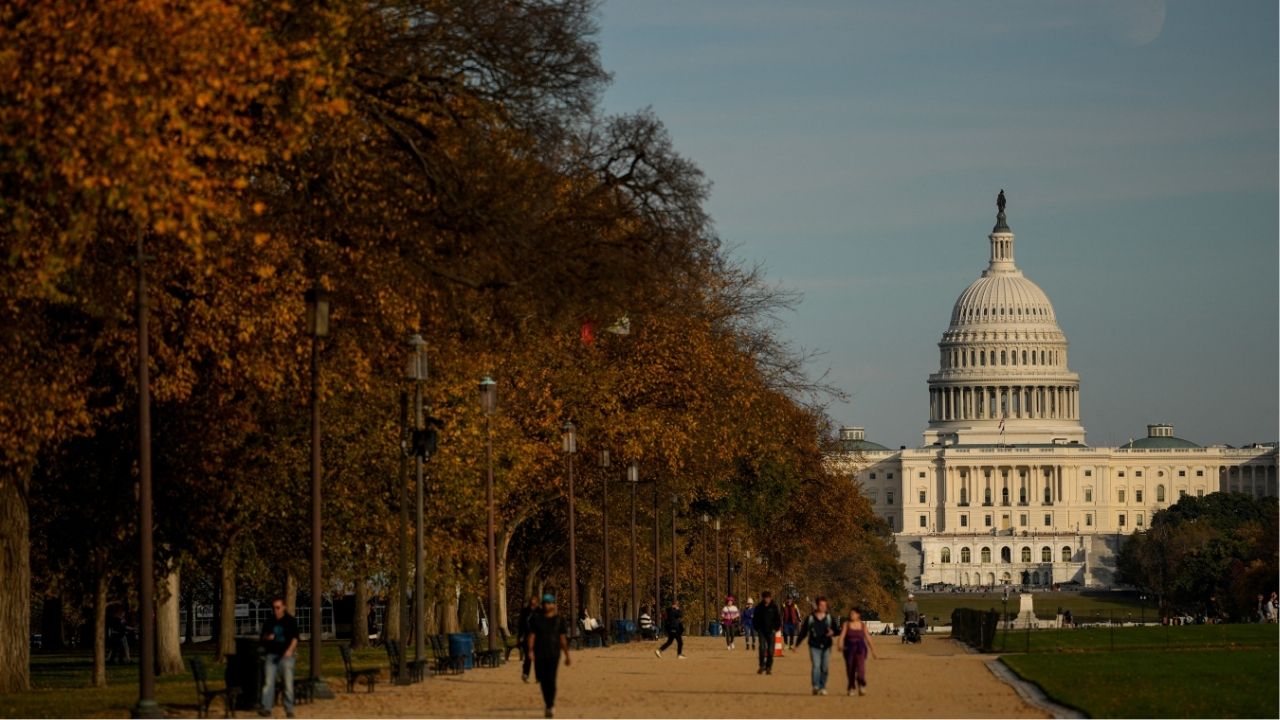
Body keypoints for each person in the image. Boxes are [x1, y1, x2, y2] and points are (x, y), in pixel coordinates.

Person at [527, 593, 570, 719]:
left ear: (553, 604)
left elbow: (562, 639)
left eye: (549, 603)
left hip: (553, 654)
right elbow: (532, 636)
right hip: (540, 653)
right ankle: (548, 702)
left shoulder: (559, 620)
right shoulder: (537, 619)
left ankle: (550, 705)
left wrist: (567, 655)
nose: (547, 605)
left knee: (551, 679)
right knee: (542, 679)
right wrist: (530, 651)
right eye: (545, 603)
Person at [258, 597, 299, 719]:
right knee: (268, 683)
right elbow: (263, 637)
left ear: (284, 607)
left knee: (288, 683)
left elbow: (295, 638)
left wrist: (290, 651)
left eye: (278, 607)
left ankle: (289, 709)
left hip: (286, 656)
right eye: (274, 607)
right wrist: (267, 637)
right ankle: (266, 708)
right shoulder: (269, 621)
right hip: (271, 655)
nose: (276, 610)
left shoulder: (290, 621)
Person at [794, 596, 837, 695]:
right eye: (821, 605)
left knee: (824, 667)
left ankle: (823, 687)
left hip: (826, 646)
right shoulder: (811, 618)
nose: (823, 607)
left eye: (825, 605)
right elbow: (803, 632)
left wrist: (833, 632)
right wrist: (797, 645)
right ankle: (816, 686)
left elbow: (837, 630)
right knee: (816, 666)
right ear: (817, 606)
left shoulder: (829, 618)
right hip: (814, 646)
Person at [836, 606, 879, 696]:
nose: (851, 615)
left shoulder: (862, 625)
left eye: (853, 614)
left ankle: (861, 686)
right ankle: (851, 687)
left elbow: (868, 638)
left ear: (858, 615)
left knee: (861, 669)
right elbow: (842, 636)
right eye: (850, 613)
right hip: (849, 649)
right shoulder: (846, 624)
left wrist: (873, 651)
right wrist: (839, 645)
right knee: (850, 669)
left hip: (860, 649)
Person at [752, 591, 781, 675]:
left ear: (770, 598)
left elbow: (778, 619)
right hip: (762, 631)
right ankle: (762, 666)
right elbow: (755, 619)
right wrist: (757, 628)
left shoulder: (774, 607)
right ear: (763, 598)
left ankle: (768, 667)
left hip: (771, 631)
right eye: (765, 597)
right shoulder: (759, 607)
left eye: (768, 597)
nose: (767, 599)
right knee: (762, 648)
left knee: (771, 650)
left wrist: (775, 628)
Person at [518, 595, 539, 682]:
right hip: (527, 636)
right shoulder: (525, 611)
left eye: (535, 600)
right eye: (532, 600)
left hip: (538, 637)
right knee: (528, 657)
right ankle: (525, 674)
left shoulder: (539, 611)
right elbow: (521, 625)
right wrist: (519, 637)